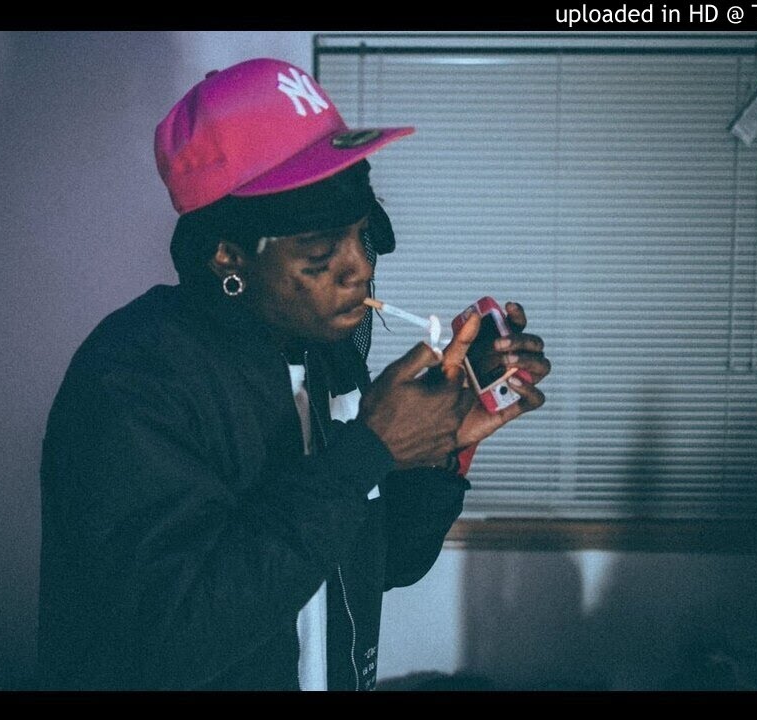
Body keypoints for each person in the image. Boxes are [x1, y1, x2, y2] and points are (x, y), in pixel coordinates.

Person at [37, 58, 549, 691]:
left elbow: (380, 563)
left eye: (363, 235)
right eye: (321, 252)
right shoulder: (133, 377)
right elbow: (170, 640)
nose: (360, 268)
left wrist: (441, 447)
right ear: (228, 256)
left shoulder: (325, 357)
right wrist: (364, 454)